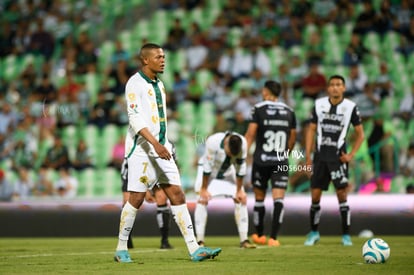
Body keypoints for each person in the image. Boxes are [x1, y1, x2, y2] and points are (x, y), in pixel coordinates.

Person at [114, 43, 221, 263]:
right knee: (136, 198)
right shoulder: (134, 83)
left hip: (162, 147)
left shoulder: (159, 84)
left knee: (177, 194)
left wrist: (165, 144)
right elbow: (135, 119)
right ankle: (121, 248)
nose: (163, 60)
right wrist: (155, 144)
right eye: (158, 57)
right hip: (142, 150)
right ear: (145, 60)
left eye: (163, 57)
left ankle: (194, 249)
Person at [304, 75, 365, 246]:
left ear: (344, 88)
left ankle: (346, 235)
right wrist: (308, 156)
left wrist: (351, 155)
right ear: (328, 88)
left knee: (342, 194)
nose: (335, 88)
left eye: (338, 85)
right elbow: (311, 130)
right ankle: (314, 233)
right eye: (332, 85)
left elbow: (360, 134)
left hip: (338, 157)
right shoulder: (318, 104)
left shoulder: (351, 107)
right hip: (320, 157)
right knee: (315, 195)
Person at [244, 80, 297, 246]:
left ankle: (259, 235)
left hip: (261, 160)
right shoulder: (289, 111)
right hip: (280, 161)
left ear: (265, 92)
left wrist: (244, 155)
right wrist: (284, 154)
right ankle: (274, 238)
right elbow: (292, 138)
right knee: (278, 199)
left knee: (259, 198)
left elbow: (251, 133)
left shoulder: (258, 109)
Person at [194, 131, 255, 249]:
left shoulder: (243, 144)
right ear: (226, 144)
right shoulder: (213, 141)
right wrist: (204, 189)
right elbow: (207, 167)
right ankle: (199, 241)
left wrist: (239, 190)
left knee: (241, 199)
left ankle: (244, 240)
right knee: (201, 200)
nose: (231, 156)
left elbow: (241, 168)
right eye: (230, 153)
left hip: (227, 172)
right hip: (209, 173)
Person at [120, 158, 173, 249]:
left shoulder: (168, 146)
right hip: (133, 169)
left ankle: (165, 241)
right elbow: (138, 166)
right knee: (128, 201)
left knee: (162, 198)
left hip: (155, 168)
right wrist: (146, 190)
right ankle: (126, 240)